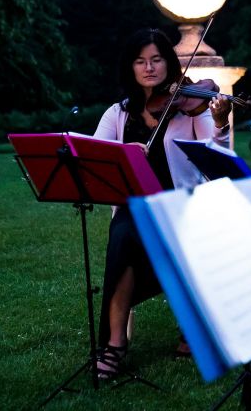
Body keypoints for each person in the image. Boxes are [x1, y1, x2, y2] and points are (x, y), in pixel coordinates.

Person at [92, 28, 231, 379]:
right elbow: (94, 156)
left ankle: (193, 322)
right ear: (131, 67)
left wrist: (219, 122)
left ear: (168, 64)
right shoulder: (118, 114)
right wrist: (125, 155)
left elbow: (219, 160)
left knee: (135, 234)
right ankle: (114, 344)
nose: (149, 68)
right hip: (136, 208)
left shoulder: (191, 107)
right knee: (123, 234)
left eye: (156, 60)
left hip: (182, 207)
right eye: (141, 61)